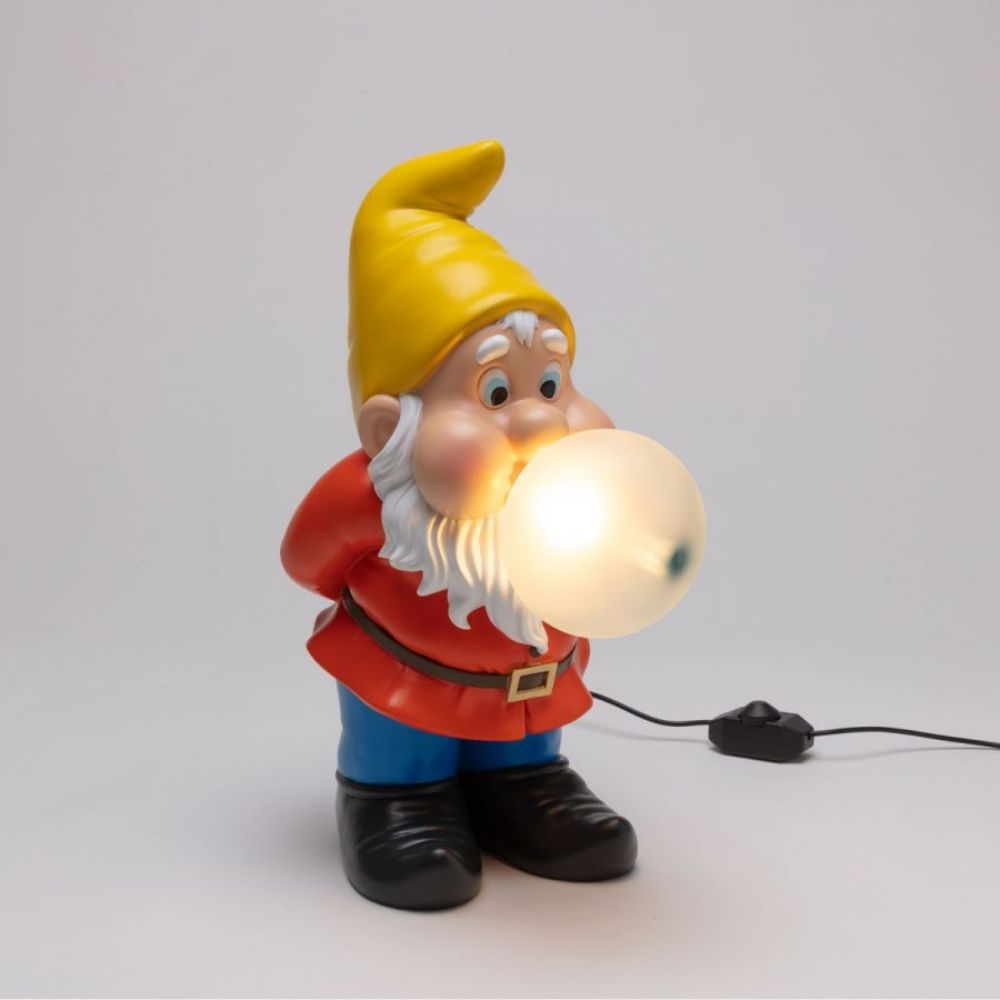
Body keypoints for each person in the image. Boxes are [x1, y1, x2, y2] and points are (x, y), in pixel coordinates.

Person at [281, 140, 637, 910]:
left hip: (529, 683)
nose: (543, 422)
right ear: (391, 430)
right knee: (400, 741)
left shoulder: (566, 491)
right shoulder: (368, 498)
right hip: (401, 677)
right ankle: (393, 797)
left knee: (526, 728)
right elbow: (307, 561)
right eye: (495, 395)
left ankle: (524, 782)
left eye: (553, 384)